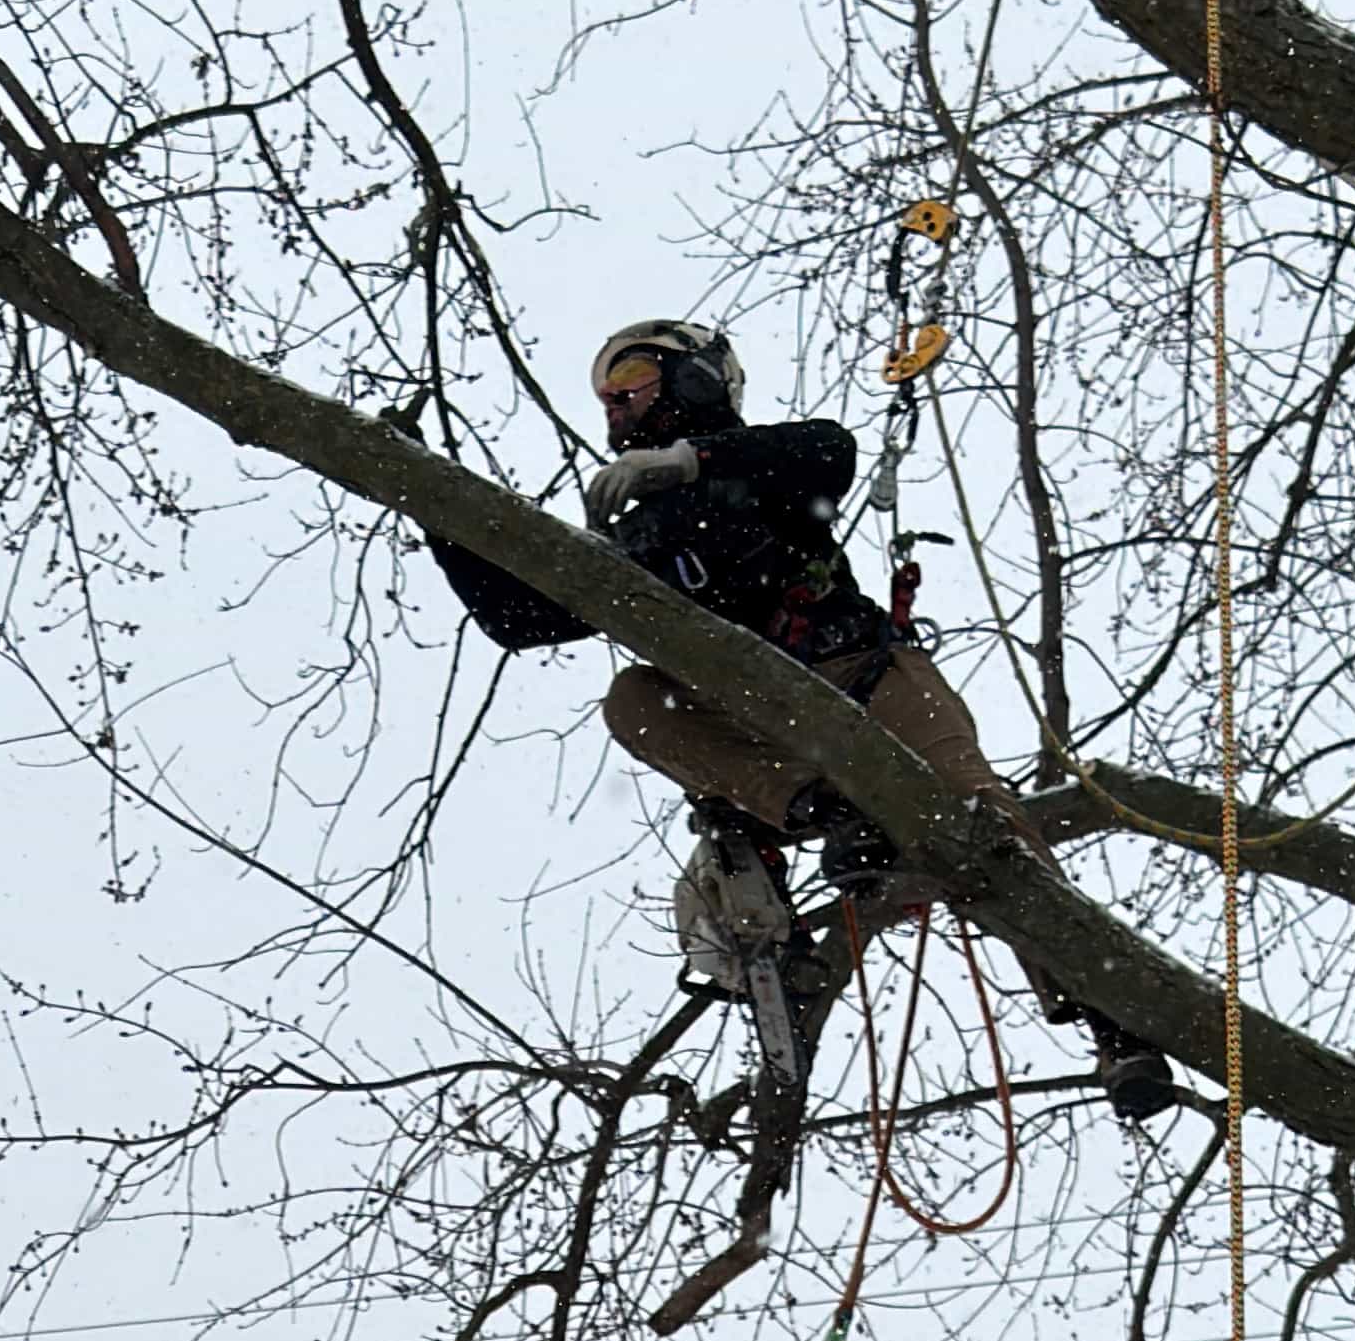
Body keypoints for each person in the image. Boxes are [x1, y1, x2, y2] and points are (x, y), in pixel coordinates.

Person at [420, 315, 1174, 1167]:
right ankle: (821, 812)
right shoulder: (635, 543)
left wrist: (692, 461)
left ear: (695, 379)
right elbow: (522, 618)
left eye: (632, 373)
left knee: (984, 820)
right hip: (758, 728)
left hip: (863, 680)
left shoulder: (761, 468)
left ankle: (1110, 1013)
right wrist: (431, 508)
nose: (617, 401)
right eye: (605, 392)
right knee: (633, 698)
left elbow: (830, 450)